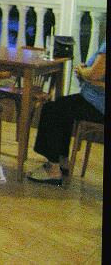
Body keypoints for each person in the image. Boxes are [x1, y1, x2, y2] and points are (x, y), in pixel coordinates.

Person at [27, 40, 106, 186]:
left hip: (98, 104)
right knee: (63, 107)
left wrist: (83, 71)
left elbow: (95, 73)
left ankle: (53, 168)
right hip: (98, 101)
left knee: (52, 110)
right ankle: (62, 160)